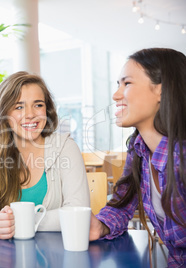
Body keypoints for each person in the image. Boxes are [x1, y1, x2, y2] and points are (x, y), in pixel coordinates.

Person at [0, 71, 90, 239]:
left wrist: (18, 221)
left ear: (47, 109)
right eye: (19, 107)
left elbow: (77, 213)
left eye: (38, 105)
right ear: (4, 115)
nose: (30, 114)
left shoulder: (65, 148)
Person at [90, 48, 186, 267]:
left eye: (127, 83)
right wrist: (100, 225)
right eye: (117, 84)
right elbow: (123, 203)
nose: (115, 95)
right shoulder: (139, 149)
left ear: (161, 90)